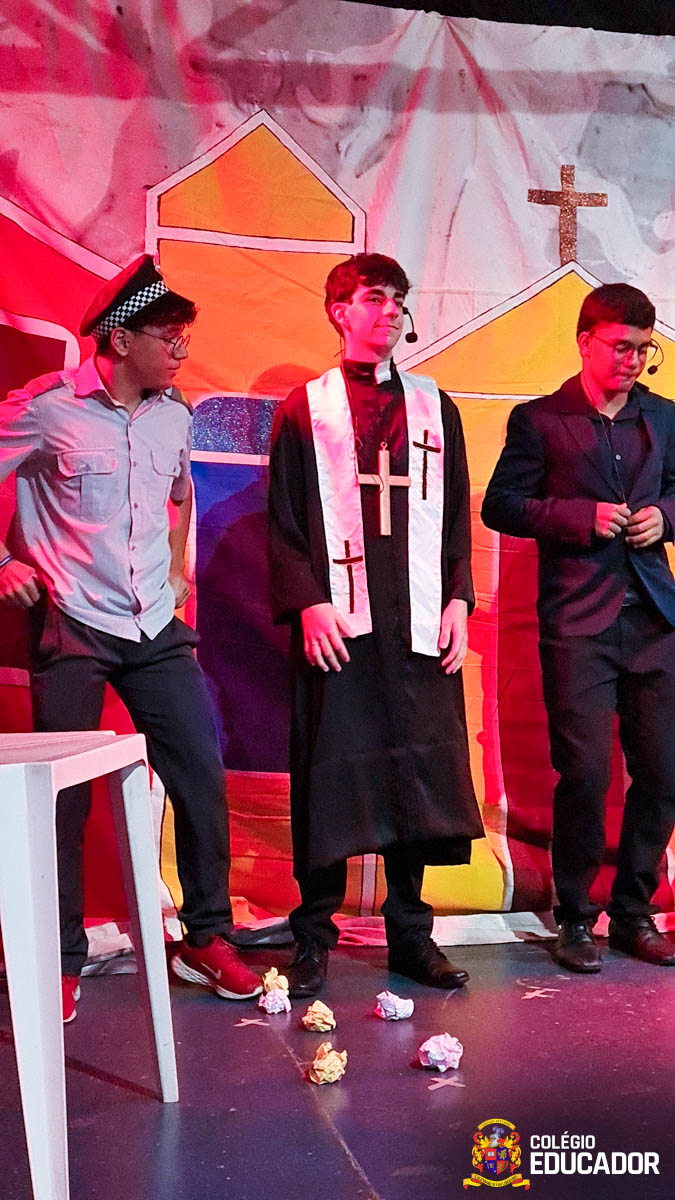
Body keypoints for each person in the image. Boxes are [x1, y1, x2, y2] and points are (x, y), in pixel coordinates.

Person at [0, 255, 262, 1021]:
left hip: (153, 625)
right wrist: (4, 563)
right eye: (168, 337)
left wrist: (175, 570)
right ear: (119, 339)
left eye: (185, 338)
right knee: (60, 800)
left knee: (199, 772)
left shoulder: (173, 414)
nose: (181, 351)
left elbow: (178, 496)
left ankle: (206, 938)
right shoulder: (46, 408)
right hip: (74, 622)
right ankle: (57, 958)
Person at [267, 252, 483, 998]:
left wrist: (458, 599)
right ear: (340, 311)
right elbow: (284, 520)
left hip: (418, 621)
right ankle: (313, 935)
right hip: (341, 624)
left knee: (416, 771)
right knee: (331, 773)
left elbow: (453, 516)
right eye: (373, 298)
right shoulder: (306, 408)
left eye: (398, 299)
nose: (389, 311)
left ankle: (411, 935)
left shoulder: (433, 407)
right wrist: (308, 601)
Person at [482, 283, 675, 973]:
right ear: (585, 341)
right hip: (578, 622)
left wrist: (665, 518)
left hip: (654, 619)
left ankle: (633, 912)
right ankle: (575, 917)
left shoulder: (663, 416)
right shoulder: (540, 420)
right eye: (620, 347)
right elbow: (501, 505)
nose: (632, 361)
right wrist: (577, 517)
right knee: (586, 775)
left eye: (643, 349)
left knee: (663, 771)